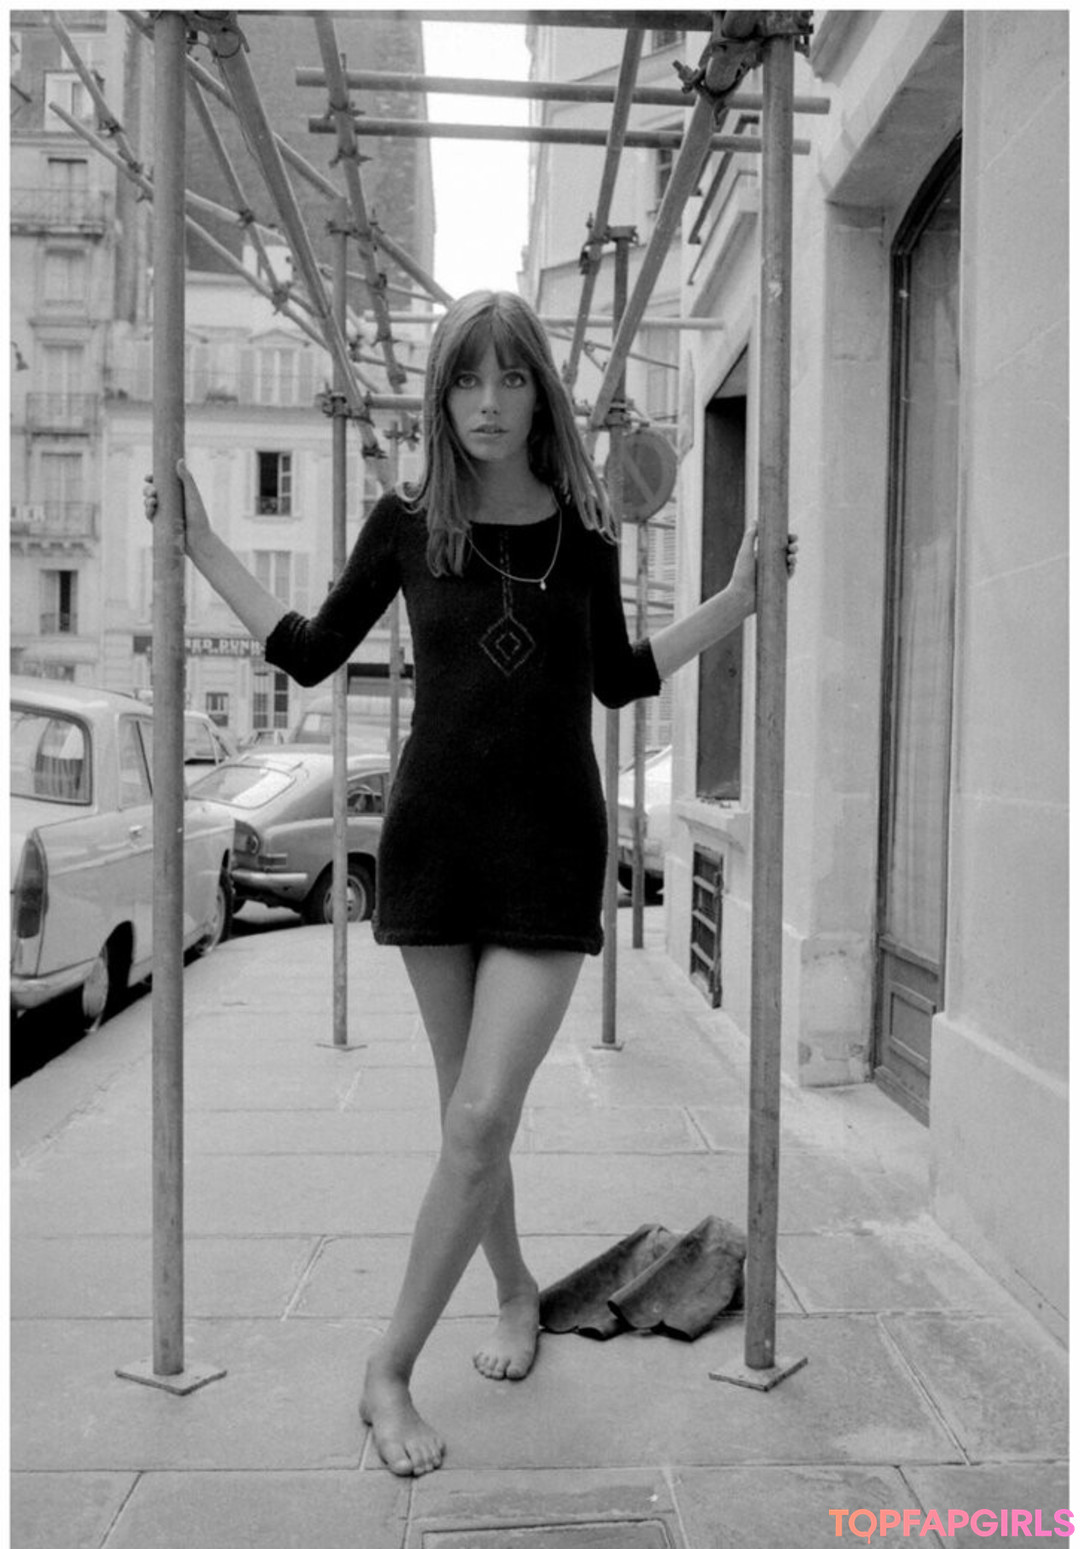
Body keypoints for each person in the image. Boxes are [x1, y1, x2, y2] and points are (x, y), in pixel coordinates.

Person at [145, 288, 795, 1478]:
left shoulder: (583, 534)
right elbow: (310, 650)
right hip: (433, 843)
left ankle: (387, 1365)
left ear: (539, 391)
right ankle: (511, 1288)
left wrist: (738, 602)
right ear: (441, 396)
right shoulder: (408, 523)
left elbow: (618, 677)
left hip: (551, 850)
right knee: (469, 1118)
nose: (487, 402)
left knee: (482, 1114)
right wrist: (200, 544)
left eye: (508, 377)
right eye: (464, 379)